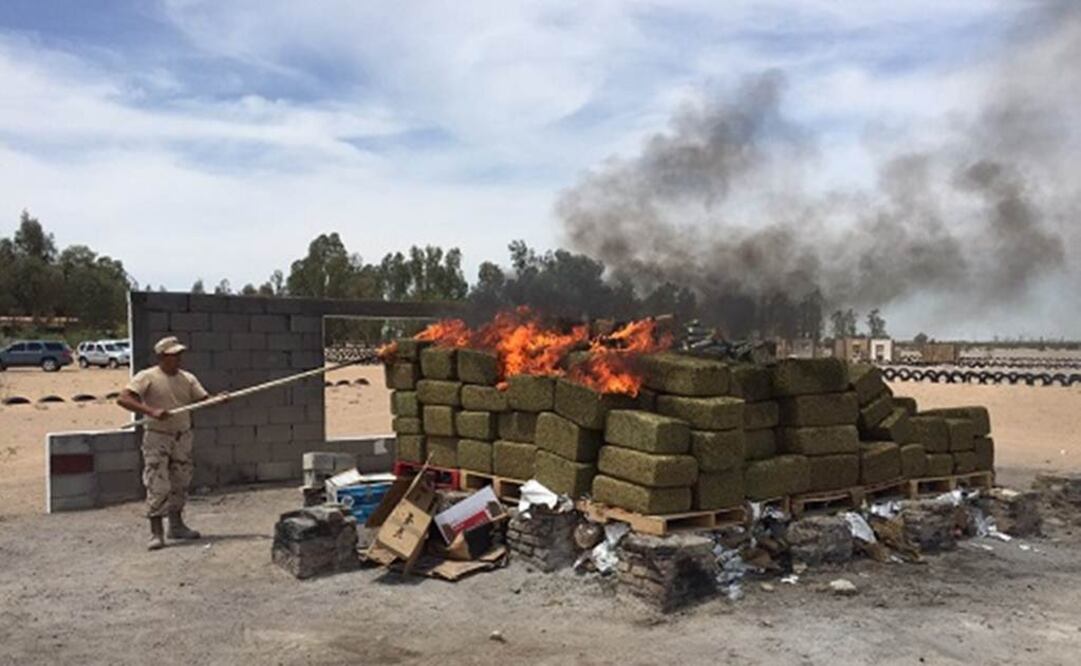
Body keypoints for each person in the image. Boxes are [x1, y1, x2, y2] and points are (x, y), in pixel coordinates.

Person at [117, 336, 227, 551]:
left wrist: (217, 400)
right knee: (158, 484)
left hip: (182, 436)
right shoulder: (146, 377)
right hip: (157, 436)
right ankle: (156, 533)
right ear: (161, 357)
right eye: (173, 355)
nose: (178, 359)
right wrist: (151, 411)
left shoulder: (187, 378)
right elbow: (123, 399)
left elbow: (203, 400)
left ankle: (176, 526)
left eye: (179, 355)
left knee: (181, 481)